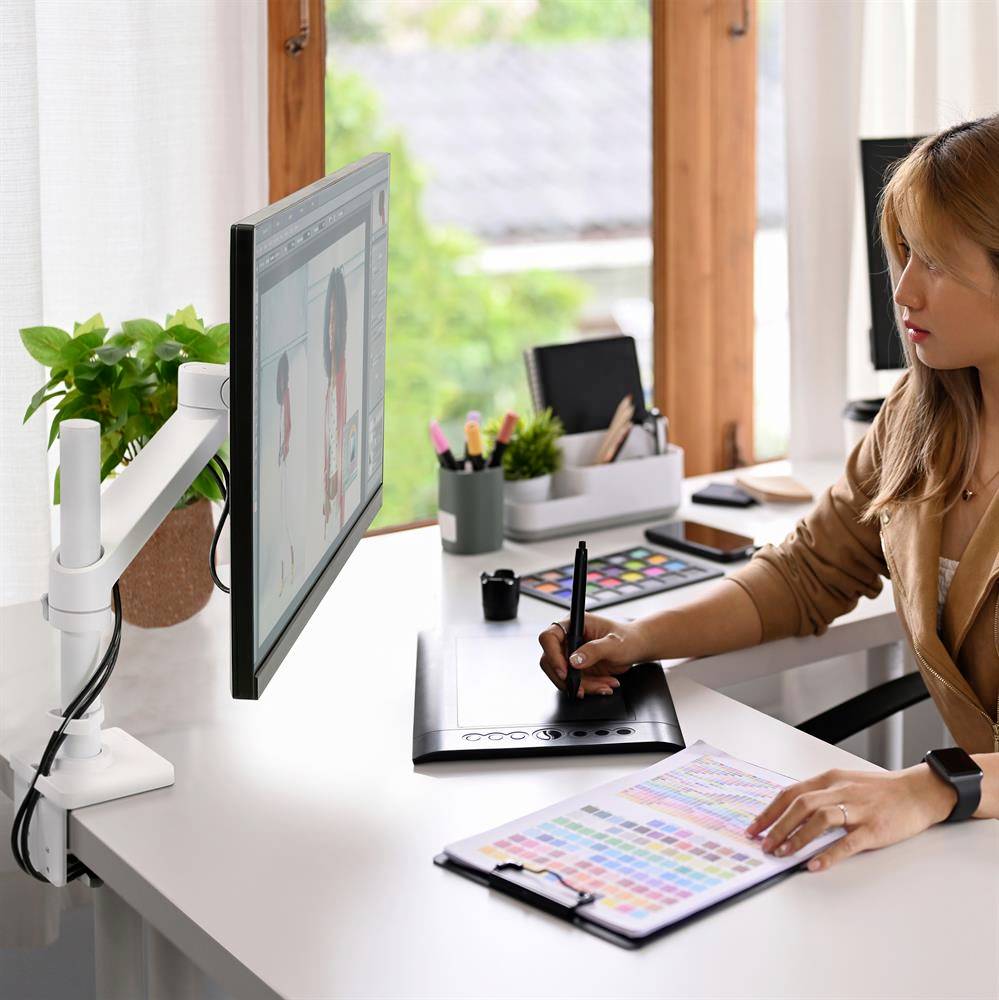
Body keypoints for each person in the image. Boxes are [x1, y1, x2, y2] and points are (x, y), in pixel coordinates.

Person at [538, 116, 999, 872]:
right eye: (904, 252)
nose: (905, 287)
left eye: (938, 263)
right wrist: (639, 637)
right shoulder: (920, 418)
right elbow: (805, 574)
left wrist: (930, 788)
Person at [322, 266, 348, 539]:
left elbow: (338, 435)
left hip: (334, 493)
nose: (331, 330)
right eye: (328, 321)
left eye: (335, 321)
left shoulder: (342, 374)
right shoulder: (327, 379)